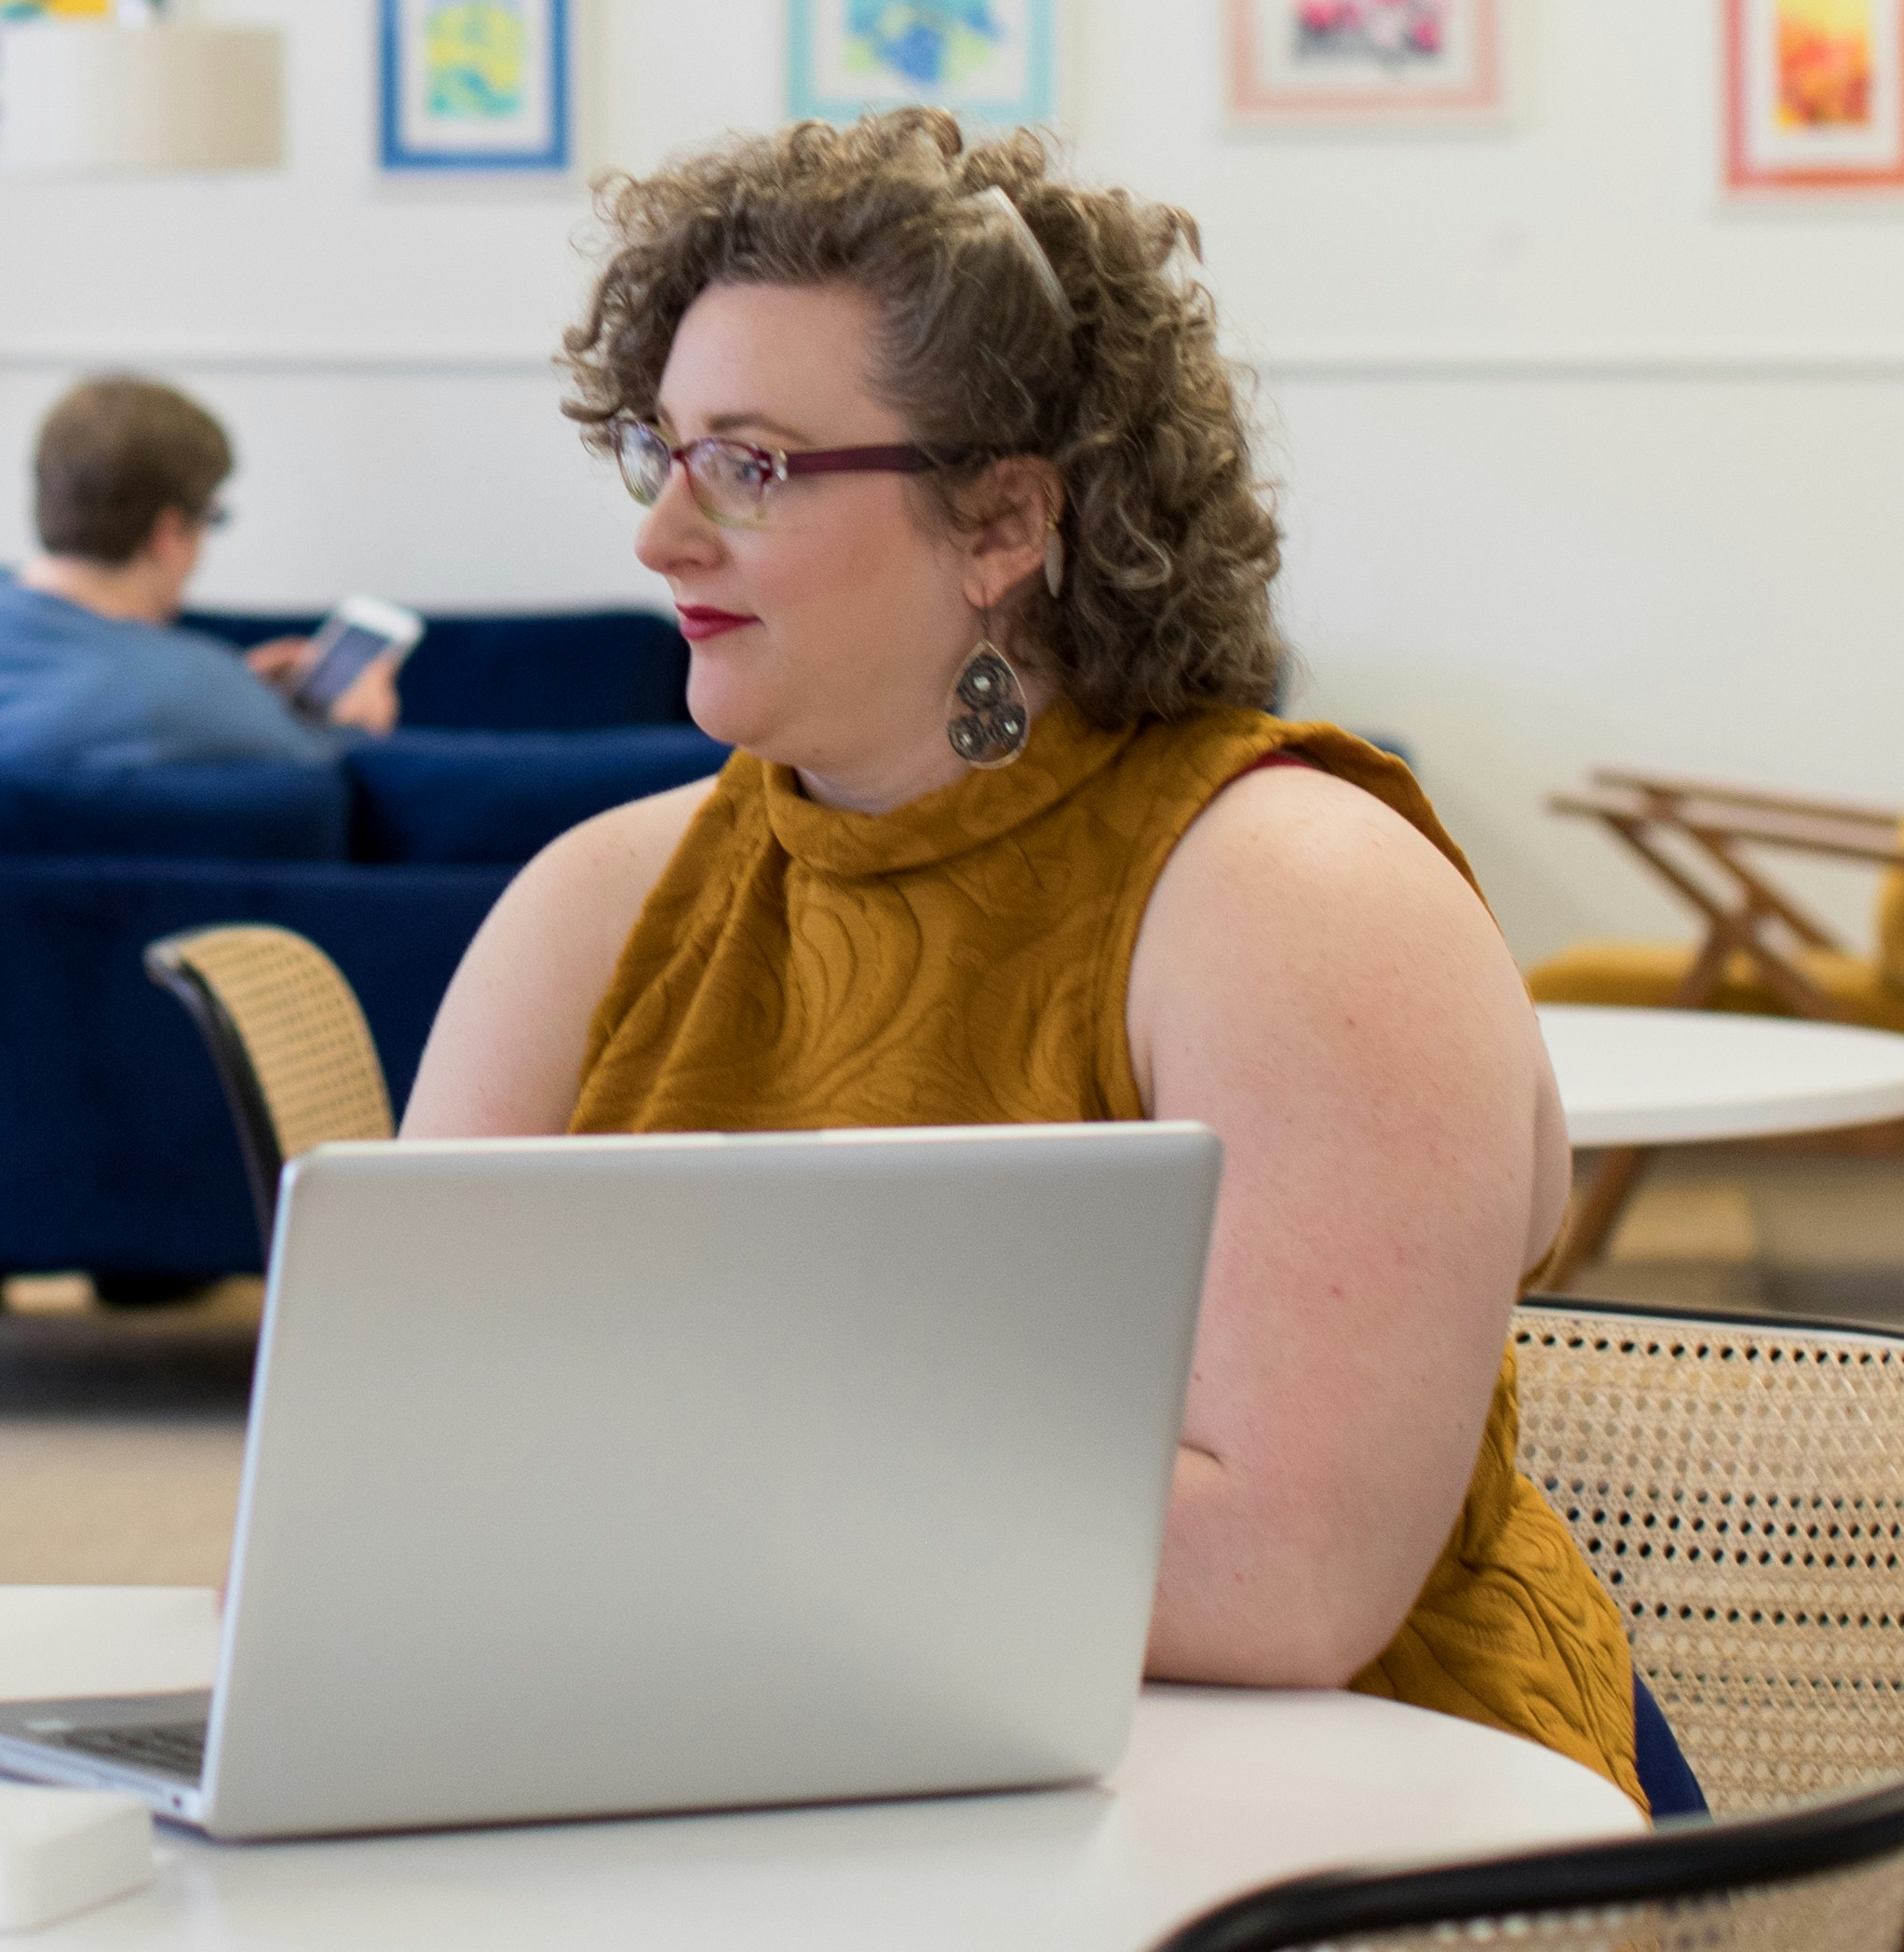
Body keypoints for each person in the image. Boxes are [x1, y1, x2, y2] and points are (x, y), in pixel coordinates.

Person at [403, 112, 1659, 1813]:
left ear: (998, 519)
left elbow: (1286, 1580)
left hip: (1353, 1827)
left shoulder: (1293, 892)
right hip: (763, 1774)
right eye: (660, 449)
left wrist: (631, 1498)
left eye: (751, 463)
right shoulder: (590, 905)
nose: (660, 537)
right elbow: (394, 1474)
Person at [0, 373, 403, 770]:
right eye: (211, 518)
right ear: (168, 533)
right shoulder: (196, 695)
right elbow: (311, 781)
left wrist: (238, 688)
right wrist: (356, 730)